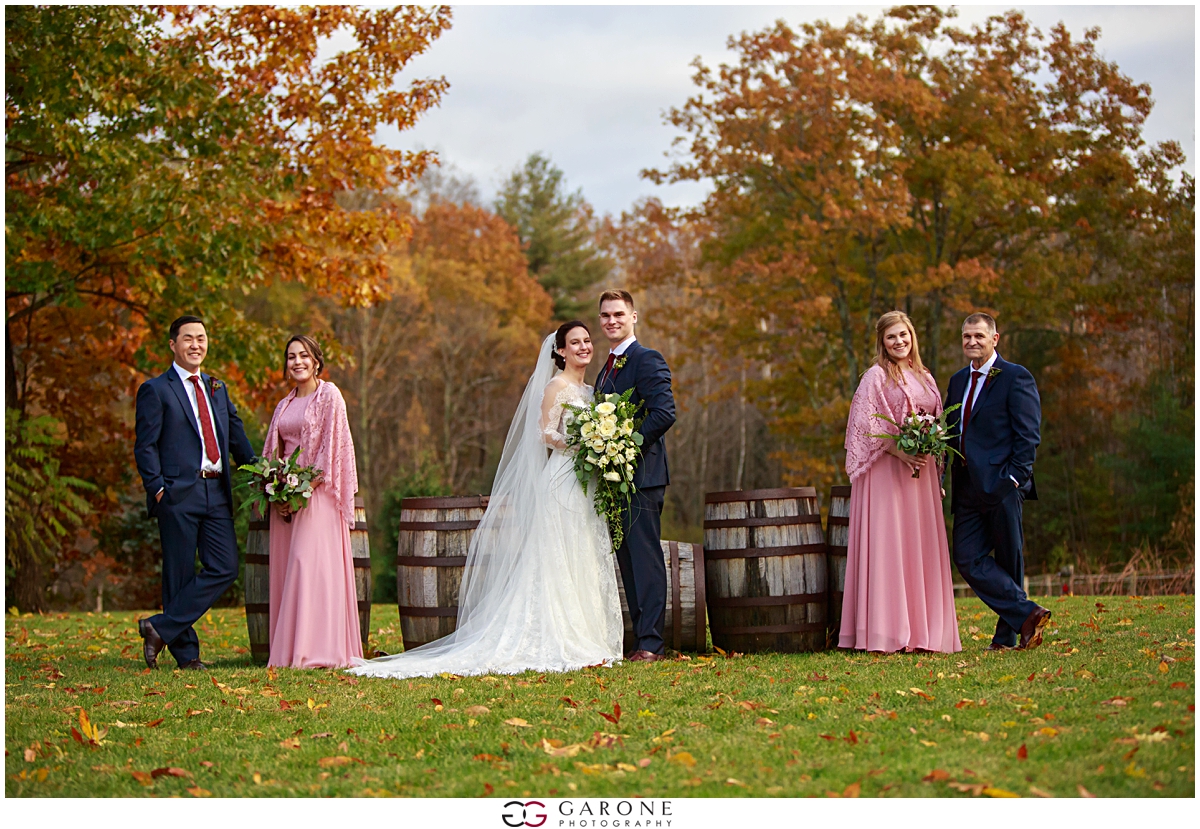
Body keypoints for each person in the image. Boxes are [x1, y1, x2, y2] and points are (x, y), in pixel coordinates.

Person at [349, 321, 623, 679]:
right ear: (560, 351)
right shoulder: (555, 387)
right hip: (561, 482)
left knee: (583, 553)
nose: (584, 347)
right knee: (557, 556)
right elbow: (543, 434)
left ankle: (589, 634)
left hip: (586, 485)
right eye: (575, 342)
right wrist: (582, 444)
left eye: (587, 340)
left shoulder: (590, 390)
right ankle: (557, 633)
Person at [134, 315, 257, 669]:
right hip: (176, 493)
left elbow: (237, 438)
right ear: (173, 345)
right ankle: (188, 657)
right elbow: (145, 446)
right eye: (187, 338)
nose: (195, 344)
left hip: (216, 492)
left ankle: (159, 627)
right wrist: (157, 489)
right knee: (179, 574)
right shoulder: (156, 389)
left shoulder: (217, 388)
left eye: (201, 338)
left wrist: (263, 473)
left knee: (225, 567)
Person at [840, 311, 961, 653]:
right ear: (882, 342)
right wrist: (898, 450)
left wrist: (933, 462)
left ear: (912, 337)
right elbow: (864, 426)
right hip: (887, 471)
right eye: (891, 337)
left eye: (903, 335)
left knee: (918, 546)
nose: (899, 342)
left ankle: (926, 632)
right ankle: (887, 631)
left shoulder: (924, 376)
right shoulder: (874, 377)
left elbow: (936, 420)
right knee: (890, 545)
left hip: (919, 477)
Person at [945, 313, 1049, 651]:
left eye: (978, 335)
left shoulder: (1015, 376)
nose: (971, 342)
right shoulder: (958, 381)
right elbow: (949, 431)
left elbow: (1028, 435)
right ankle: (1028, 613)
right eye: (966, 337)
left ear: (995, 339)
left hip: (1004, 484)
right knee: (966, 556)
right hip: (966, 488)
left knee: (1009, 559)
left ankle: (1005, 637)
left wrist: (1016, 478)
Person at [261, 335, 362, 668]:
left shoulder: (329, 395)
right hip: (285, 500)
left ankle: (318, 650)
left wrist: (303, 488)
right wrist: (276, 492)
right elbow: (272, 453)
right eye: (291, 357)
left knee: (309, 567)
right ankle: (290, 650)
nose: (297, 362)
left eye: (304, 355)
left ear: (317, 361)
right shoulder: (284, 404)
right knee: (288, 571)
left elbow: (331, 449)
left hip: (316, 496)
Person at [595, 290, 677, 662]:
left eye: (618, 314)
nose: (611, 321)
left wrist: (626, 444)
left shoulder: (646, 359)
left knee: (645, 560)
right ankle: (640, 641)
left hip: (641, 476)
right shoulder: (607, 366)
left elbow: (664, 413)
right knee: (627, 562)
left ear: (634, 317)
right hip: (615, 480)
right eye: (605, 316)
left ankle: (651, 644)